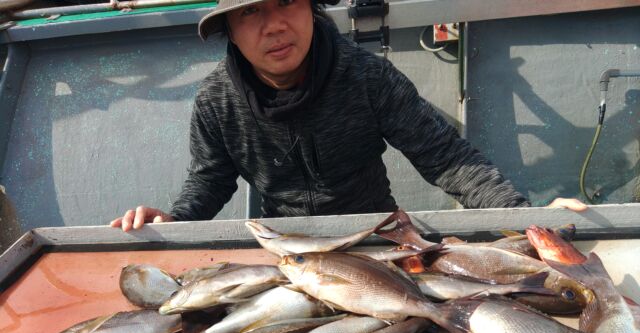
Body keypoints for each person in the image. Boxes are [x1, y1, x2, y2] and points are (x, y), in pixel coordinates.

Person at [111, 0, 586, 232]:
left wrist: (524, 217)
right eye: (251, 11)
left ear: (311, 7)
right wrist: (175, 220)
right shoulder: (215, 101)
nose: (274, 25)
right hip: (287, 243)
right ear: (229, 30)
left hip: (377, 234)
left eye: (286, 1)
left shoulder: (367, 76)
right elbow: (211, 179)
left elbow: (446, 158)